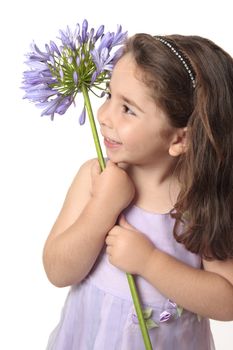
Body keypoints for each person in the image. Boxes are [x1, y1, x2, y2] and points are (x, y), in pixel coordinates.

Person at [43, 33, 233, 350]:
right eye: (108, 95)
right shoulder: (96, 178)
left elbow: (226, 301)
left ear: (179, 139)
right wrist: (102, 208)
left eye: (128, 109)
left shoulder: (201, 201)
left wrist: (149, 262)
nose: (104, 116)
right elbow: (57, 271)